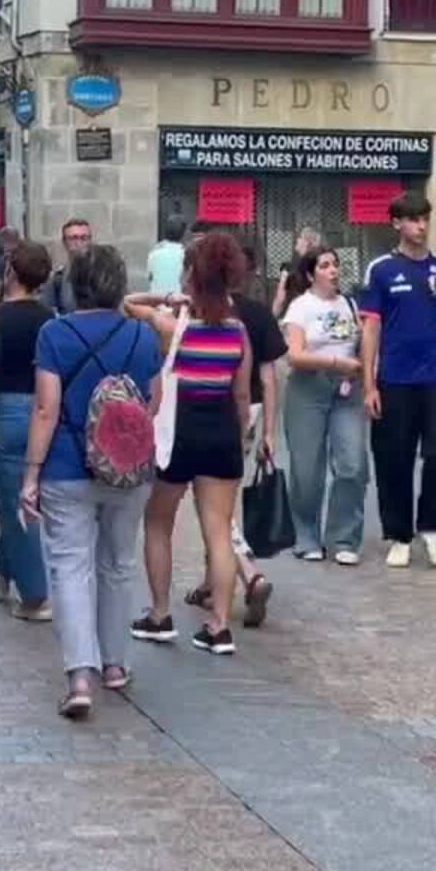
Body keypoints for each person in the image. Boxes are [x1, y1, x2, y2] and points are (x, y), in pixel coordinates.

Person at [20, 246, 165, 719]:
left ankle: (79, 676)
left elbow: (46, 408)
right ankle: (115, 663)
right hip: (128, 469)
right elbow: (153, 402)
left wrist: (31, 473)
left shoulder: (55, 334)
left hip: (67, 466)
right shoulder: (142, 335)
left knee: (70, 567)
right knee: (118, 564)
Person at [128, 232, 252, 657]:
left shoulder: (173, 326)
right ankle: (219, 626)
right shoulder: (238, 332)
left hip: (177, 432)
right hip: (221, 431)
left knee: (158, 522)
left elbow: (128, 303)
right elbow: (241, 394)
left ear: (191, 277)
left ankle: (160, 614)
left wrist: (168, 297)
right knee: (219, 532)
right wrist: (241, 436)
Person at [360, 192, 436, 569]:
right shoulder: (381, 269)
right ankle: (400, 534)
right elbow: (371, 329)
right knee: (394, 457)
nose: (421, 226)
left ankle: (434, 527)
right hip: (394, 377)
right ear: (397, 223)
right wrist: (369, 384)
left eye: (425, 218)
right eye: (413, 220)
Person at [174, 240, 282, 627]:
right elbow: (267, 379)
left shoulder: (190, 316)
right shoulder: (255, 315)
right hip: (243, 415)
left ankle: (249, 573)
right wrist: (268, 430)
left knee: (214, 514)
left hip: (207, 416)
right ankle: (212, 584)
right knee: (218, 508)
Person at [0, 239, 55, 621]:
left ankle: (35, 596)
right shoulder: (51, 318)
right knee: (25, 495)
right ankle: (3, 572)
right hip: (42, 406)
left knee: (13, 503)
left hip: (5, 409)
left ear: (10, 273)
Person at [280, 245, 368, 562]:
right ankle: (306, 536)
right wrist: (334, 362)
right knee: (307, 469)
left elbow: (365, 343)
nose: (333, 271)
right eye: (325, 266)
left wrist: (364, 372)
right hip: (309, 388)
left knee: (352, 464)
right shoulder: (300, 307)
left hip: (347, 390)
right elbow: (294, 355)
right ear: (310, 275)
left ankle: (343, 538)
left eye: (335, 265)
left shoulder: (350, 304)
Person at [272, 227, 324, 318]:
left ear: (307, 242)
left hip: (299, 313)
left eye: (299, 237)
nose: (296, 240)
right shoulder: (323, 263)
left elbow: (280, 299)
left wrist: (273, 318)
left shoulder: (292, 267)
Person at [46, 218, 92, 315]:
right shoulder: (57, 280)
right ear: (64, 242)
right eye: (73, 238)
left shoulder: (103, 277)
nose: (79, 243)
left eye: (84, 238)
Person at [145, 215, 187, 294]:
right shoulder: (186, 256)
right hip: (178, 299)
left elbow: (150, 278)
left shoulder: (154, 253)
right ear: (183, 235)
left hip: (155, 298)